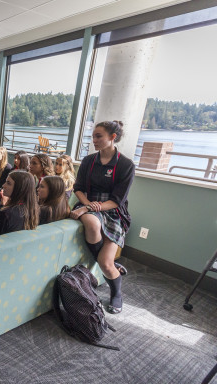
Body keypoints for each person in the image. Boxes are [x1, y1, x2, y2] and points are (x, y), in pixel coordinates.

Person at [69, 120, 135, 315]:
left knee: (106, 264)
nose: (94, 140)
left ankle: (117, 293)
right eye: (93, 136)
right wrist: (88, 206)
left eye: (99, 136)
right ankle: (115, 266)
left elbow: (117, 200)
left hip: (113, 211)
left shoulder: (126, 165)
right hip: (88, 204)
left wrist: (91, 207)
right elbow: (78, 188)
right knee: (90, 221)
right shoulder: (89, 161)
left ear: (112, 138)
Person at [0, 170, 39, 236]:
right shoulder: (32, 209)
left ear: (19, 188)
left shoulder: (5, 215)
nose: (3, 185)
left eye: (8, 183)